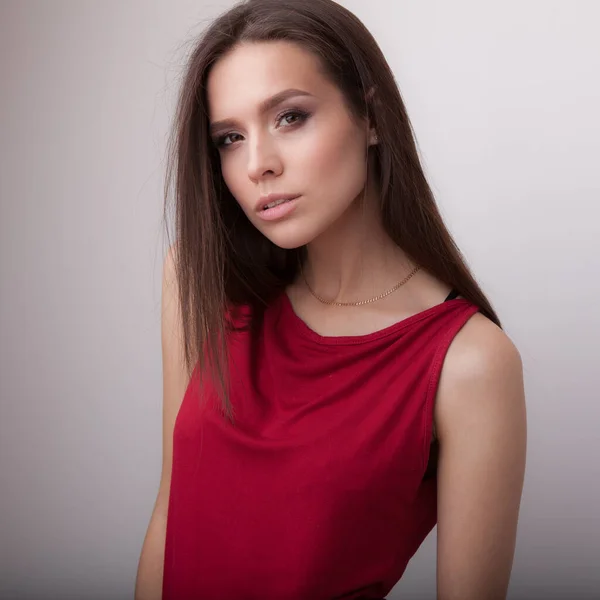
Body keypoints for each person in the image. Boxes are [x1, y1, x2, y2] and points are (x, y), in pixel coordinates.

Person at [135, 0, 527, 598]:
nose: (258, 164)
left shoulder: (467, 363)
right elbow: (171, 510)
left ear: (370, 117)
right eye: (230, 138)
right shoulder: (197, 280)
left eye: (290, 117)